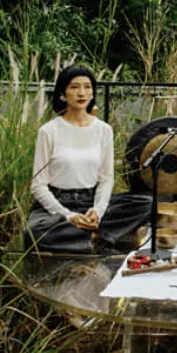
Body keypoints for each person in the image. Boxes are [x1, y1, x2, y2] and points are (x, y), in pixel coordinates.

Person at [25, 65, 152, 254]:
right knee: (33, 232)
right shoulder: (49, 131)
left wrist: (98, 211)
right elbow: (38, 185)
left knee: (147, 203)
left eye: (87, 86)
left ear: (93, 92)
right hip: (58, 205)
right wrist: (68, 215)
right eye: (74, 87)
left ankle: (87, 234)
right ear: (63, 92)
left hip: (90, 201)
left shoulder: (103, 130)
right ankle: (95, 237)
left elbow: (106, 178)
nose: (81, 93)